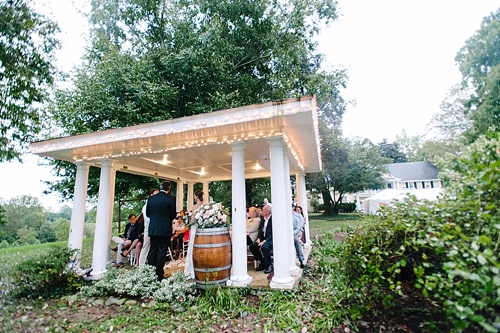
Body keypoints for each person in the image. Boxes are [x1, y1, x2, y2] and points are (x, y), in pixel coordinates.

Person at [146, 181, 177, 281]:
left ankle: (150, 273)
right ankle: (159, 275)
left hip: (153, 228)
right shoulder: (170, 199)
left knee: (153, 250)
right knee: (161, 251)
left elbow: (147, 214)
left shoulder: (151, 198)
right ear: (169, 188)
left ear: (160, 188)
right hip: (164, 229)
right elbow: (173, 215)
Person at [184, 189, 204, 279]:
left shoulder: (194, 207)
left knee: (192, 248)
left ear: (196, 196)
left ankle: (191, 270)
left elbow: (192, 220)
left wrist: (188, 223)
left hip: (195, 229)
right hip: (202, 230)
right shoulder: (205, 206)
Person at [249, 203, 274, 274]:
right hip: (263, 239)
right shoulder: (262, 219)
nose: (261, 211)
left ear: (268, 212)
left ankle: (269, 265)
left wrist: (264, 241)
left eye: (263, 210)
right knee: (253, 246)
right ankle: (263, 262)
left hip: (271, 239)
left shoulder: (273, 219)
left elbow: (273, 233)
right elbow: (260, 230)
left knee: (265, 247)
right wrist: (259, 238)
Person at [138, 188, 159, 266]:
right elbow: (147, 218)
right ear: (151, 195)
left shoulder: (156, 205)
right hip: (149, 227)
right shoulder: (146, 205)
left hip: (156, 228)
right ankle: (141, 265)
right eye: (156, 195)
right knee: (146, 246)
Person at [292, 203, 306, 268]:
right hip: (286, 234)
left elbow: (299, 227)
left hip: (295, 232)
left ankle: (301, 259)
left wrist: (291, 233)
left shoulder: (297, 216)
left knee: (296, 240)